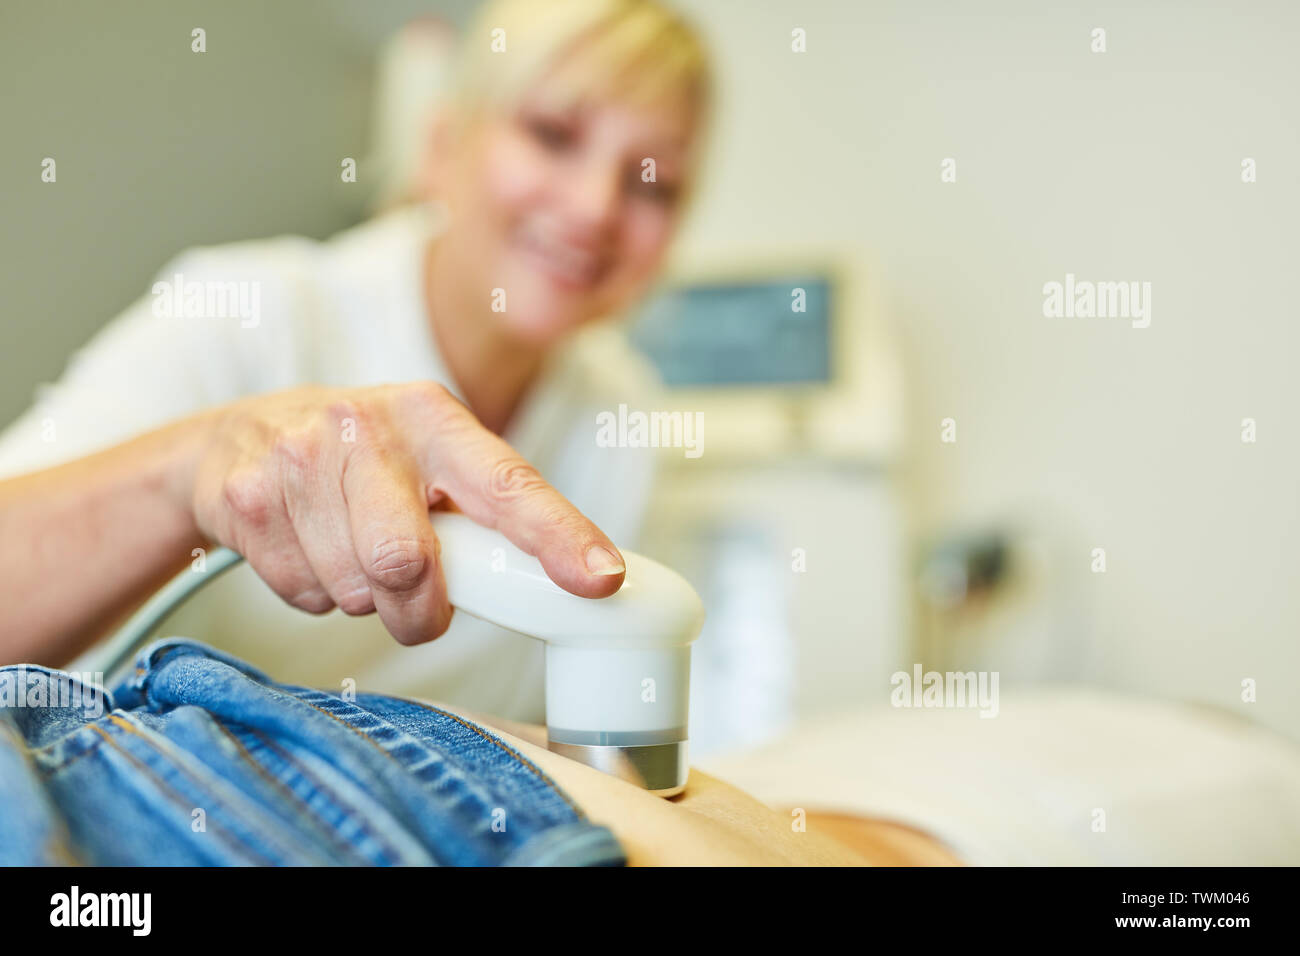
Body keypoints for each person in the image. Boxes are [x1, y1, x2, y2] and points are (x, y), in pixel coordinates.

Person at [0, 0, 708, 721]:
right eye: (552, 134)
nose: (595, 207)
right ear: (442, 144)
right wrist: (193, 469)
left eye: (654, 183)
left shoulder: (623, 414)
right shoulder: (247, 312)